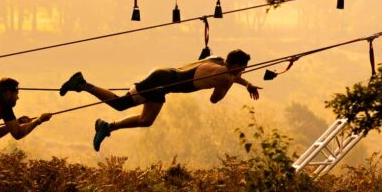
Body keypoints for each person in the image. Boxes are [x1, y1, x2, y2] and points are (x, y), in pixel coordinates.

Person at [59, 50, 261, 151]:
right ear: (236, 66)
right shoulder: (226, 79)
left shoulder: (216, 59)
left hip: (164, 77)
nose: (243, 71)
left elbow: (230, 74)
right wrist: (230, 84)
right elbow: (215, 100)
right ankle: (82, 84)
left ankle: (107, 127)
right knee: (120, 104)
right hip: (161, 82)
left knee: (146, 121)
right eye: (242, 68)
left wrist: (246, 83)